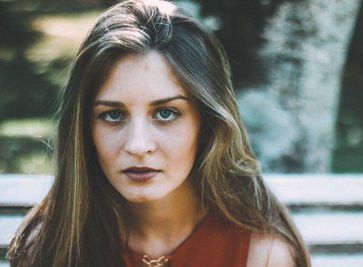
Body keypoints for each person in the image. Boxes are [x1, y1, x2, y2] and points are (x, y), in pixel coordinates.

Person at [8, 0, 310, 266]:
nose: (138, 146)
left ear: (206, 125)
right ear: (85, 128)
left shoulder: (262, 257)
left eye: (166, 113)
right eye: (113, 115)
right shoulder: (49, 250)